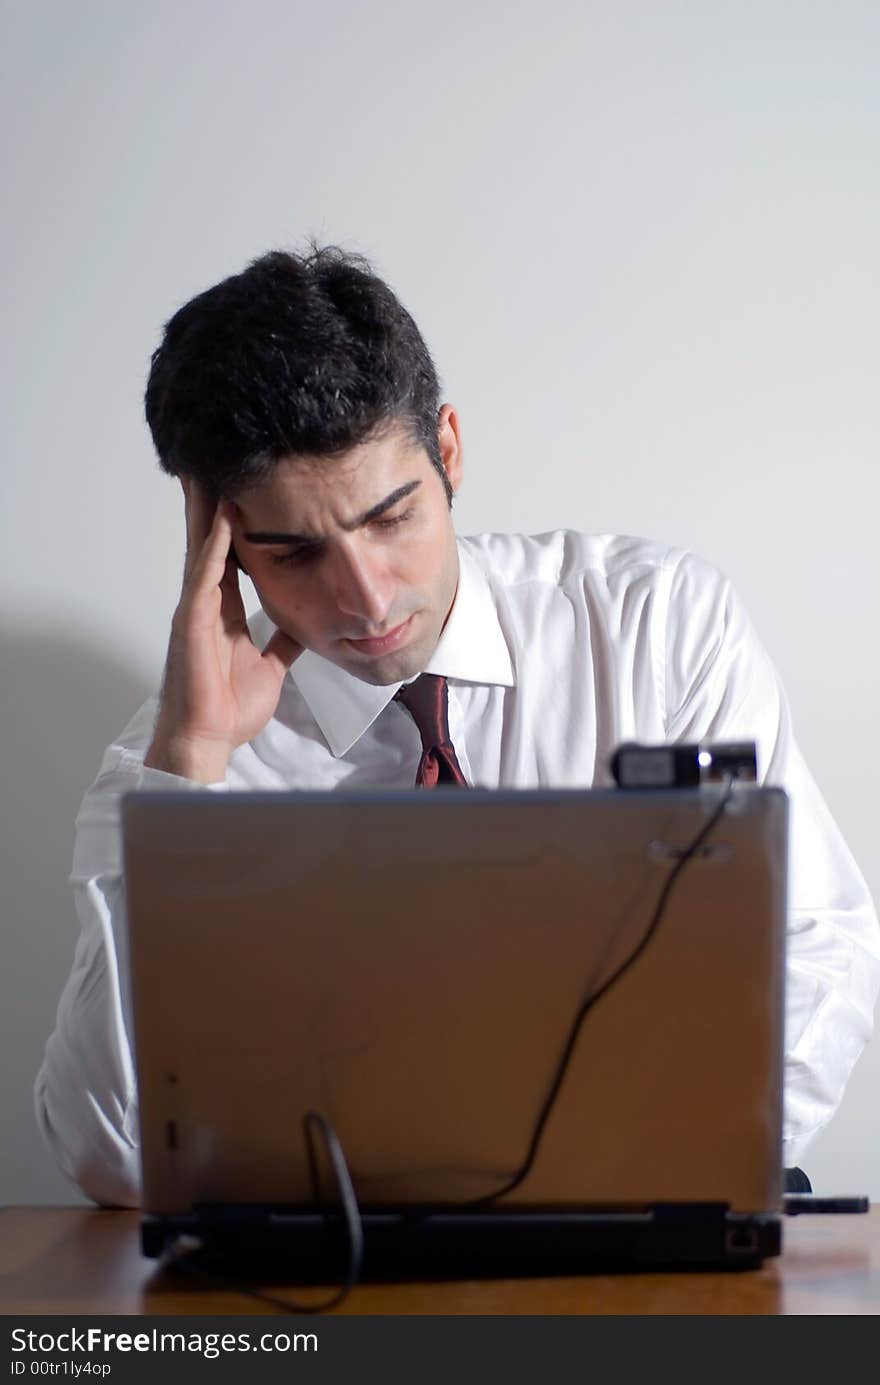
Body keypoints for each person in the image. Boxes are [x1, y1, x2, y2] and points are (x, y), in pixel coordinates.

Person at [35, 244, 880, 1208]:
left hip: (648, 1198)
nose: (365, 598)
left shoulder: (655, 627)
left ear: (449, 449)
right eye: (295, 551)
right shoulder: (186, 752)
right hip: (352, 1251)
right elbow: (104, 1146)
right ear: (223, 555)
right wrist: (191, 767)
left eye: (392, 517)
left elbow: (817, 949)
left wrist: (621, 1153)